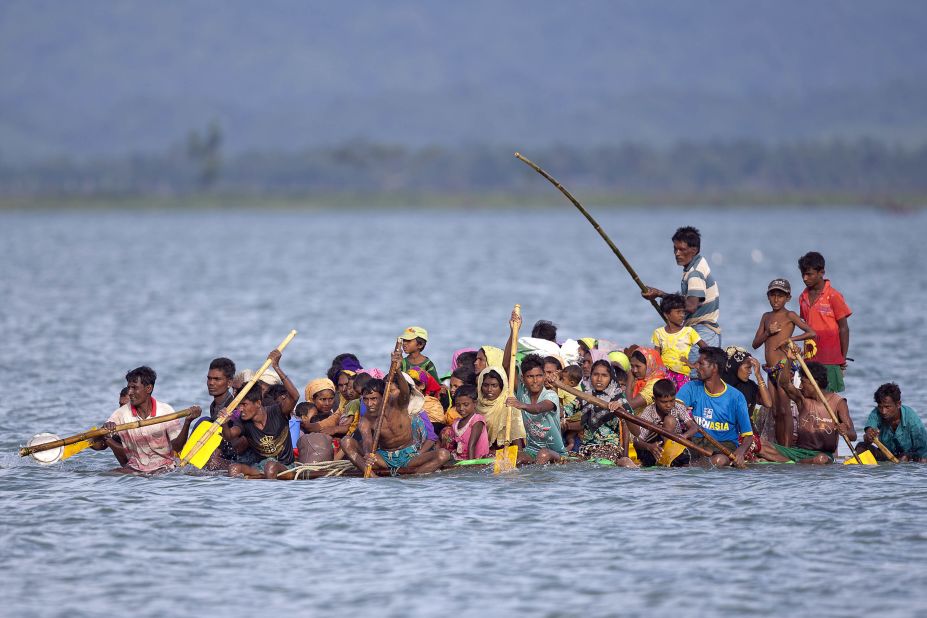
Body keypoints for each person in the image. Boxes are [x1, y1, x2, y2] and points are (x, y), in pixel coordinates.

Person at [340, 354, 450, 475]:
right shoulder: (366, 419)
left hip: (410, 456)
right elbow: (367, 441)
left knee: (443, 454)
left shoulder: (399, 405)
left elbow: (405, 391)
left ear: (384, 397)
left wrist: (397, 370)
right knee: (346, 441)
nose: (369, 403)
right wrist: (368, 455)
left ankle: (414, 477)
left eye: (374, 399)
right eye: (366, 399)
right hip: (383, 458)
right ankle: (372, 476)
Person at [751, 278, 816, 445]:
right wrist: (768, 333)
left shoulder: (790, 315)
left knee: (784, 409)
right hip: (770, 369)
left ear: (788, 297)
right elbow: (755, 343)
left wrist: (790, 340)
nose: (776, 299)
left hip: (783, 367)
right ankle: (780, 446)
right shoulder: (766, 317)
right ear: (768, 297)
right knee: (774, 410)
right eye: (772, 295)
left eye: (780, 296)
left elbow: (811, 333)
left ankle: (786, 447)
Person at [100, 366, 199, 474]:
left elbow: (177, 447)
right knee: (108, 474)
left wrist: (187, 422)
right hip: (134, 469)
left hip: (164, 469)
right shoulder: (121, 413)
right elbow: (99, 445)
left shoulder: (166, 411)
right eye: (129, 388)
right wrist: (105, 430)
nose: (130, 392)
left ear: (148, 389)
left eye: (134, 388)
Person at [641, 226, 722, 358]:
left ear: (694, 250)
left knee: (696, 374)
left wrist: (660, 294)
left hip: (703, 331)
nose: (677, 253)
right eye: (675, 249)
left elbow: (690, 306)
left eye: (682, 249)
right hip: (700, 331)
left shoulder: (695, 272)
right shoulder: (696, 265)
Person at [759, 359, 855, 464]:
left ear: (814, 382)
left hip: (823, 455)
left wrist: (845, 431)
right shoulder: (802, 400)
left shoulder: (838, 403)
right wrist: (789, 358)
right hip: (798, 452)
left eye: (803, 381)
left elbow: (853, 435)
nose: (800, 386)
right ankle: (794, 461)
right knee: (758, 445)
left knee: (821, 459)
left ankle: (789, 462)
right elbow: (784, 383)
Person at [503, 312, 565, 465]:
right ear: (523, 378)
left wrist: (520, 405)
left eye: (539, 376)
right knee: (516, 458)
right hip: (532, 449)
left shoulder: (550, 395)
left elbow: (538, 408)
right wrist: (513, 332)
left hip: (556, 452)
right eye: (530, 377)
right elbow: (506, 365)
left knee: (544, 454)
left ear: (544, 376)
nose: (535, 381)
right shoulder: (522, 390)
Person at [676, 347, 754, 467]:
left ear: (714, 367)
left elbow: (748, 435)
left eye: (701, 364)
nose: (696, 366)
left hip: (724, 446)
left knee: (718, 461)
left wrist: (740, 452)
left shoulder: (736, 397)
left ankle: (689, 466)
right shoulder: (691, 387)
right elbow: (676, 406)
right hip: (697, 443)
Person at [798, 252, 852, 393]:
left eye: (809, 274)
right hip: (810, 358)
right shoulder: (802, 297)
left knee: (828, 397)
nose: (805, 278)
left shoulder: (833, 296)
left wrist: (842, 358)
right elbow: (807, 325)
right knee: (809, 396)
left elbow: (844, 328)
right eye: (803, 274)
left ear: (821, 272)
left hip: (831, 358)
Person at [572, 359, 635, 467]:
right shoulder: (584, 396)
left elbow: (636, 431)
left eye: (604, 375)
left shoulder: (619, 400)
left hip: (609, 450)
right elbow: (565, 411)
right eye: (595, 374)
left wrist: (622, 412)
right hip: (585, 451)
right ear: (591, 376)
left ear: (610, 378)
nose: (599, 379)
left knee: (601, 462)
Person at [225, 387, 296, 479]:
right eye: (239, 405)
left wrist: (278, 371)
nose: (240, 409)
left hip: (286, 466)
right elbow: (229, 435)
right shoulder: (242, 421)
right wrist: (224, 423)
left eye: (244, 404)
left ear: (258, 403)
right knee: (233, 468)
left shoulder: (277, 411)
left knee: (271, 466)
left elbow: (295, 396)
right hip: (261, 467)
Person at [855, 383, 927, 462]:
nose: (883, 411)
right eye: (880, 407)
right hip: (886, 454)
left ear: (898, 404)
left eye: (887, 407)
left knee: (906, 458)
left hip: (910, 456)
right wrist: (869, 436)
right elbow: (869, 429)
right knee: (861, 447)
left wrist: (911, 457)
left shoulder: (911, 418)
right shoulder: (876, 413)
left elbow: (923, 449)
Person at [633, 379, 691, 467]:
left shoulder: (678, 406)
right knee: (670, 420)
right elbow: (636, 441)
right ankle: (665, 459)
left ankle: (670, 458)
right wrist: (650, 447)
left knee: (670, 420)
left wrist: (684, 436)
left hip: (675, 447)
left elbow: (694, 427)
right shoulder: (649, 412)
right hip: (653, 450)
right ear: (654, 400)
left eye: (672, 401)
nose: (669, 405)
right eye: (664, 402)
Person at [652, 293, 706, 387]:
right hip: (664, 376)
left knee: (681, 400)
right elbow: (656, 356)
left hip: (683, 376)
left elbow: (706, 349)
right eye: (678, 312)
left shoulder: (688, 331)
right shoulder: (658, 332)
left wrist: (695, 364)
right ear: (666, 314)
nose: (682, 315)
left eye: (683, 312)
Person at [477, 366, 526, 448]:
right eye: (485, 385)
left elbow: (516, 436)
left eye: (494, 385)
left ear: (502, 386)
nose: (489, 389)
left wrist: (518, 454)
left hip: (505, 452)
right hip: (482, 453)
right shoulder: (475, 406)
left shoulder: (509, 406)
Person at [446, 385, 490, 461]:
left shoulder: (477, 420)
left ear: (475, 403)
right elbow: (451, 444)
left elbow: (471, 445)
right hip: (461, 459)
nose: (461, 408)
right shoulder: (456, 423)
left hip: (476, 459)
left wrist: (471, 466)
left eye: (466, 405)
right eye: (458, 405)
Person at [625, 347, 668, 412]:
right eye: (632, 366)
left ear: (649, 365)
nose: (634, 370)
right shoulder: (639, 379)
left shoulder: (656, 384)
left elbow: (629, 406)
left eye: (638, 366)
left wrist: (629, 380)